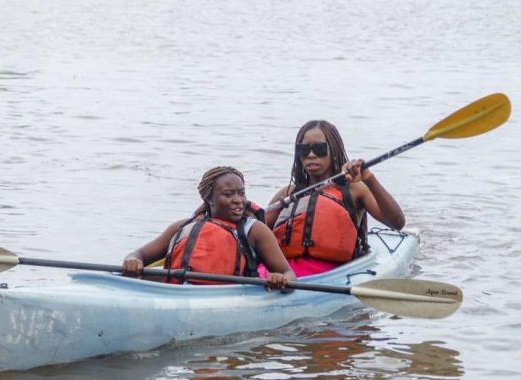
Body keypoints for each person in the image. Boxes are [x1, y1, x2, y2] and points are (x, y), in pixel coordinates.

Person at [264, 120, 405, 277]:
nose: (311, 155)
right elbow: (256, 230)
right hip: (283, 272)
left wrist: (368, 179)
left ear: (334, 151)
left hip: (331, 274)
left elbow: (396, 223)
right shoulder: (288, 193)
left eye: (319, 149)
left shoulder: (354, 190)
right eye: (304, 150)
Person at [122, 166, 296, 290]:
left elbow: (288, 274)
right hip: (176, 294)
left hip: (228, 298)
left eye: (241, 193)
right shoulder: (182, 227)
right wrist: (132, 260)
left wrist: (280, 279)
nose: (238, 200)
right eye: (228, 194)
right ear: (210, 199)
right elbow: (139, 255)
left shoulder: (255, 231)